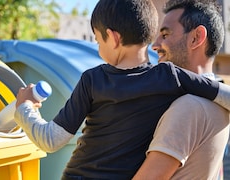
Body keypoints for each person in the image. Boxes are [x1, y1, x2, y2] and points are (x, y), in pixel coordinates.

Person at [13, 0, 230, 179]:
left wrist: (25, 108)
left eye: (98, 41)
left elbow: (50, 139)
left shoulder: (93, 79)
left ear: (114, 38)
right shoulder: (170, 76)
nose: (99, 50)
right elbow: (218, 92)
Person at [133, 0, 229, 179]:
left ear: (196, 37)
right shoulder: (219, 104)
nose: (155, 45)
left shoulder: (189, 107)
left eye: (165, 34)